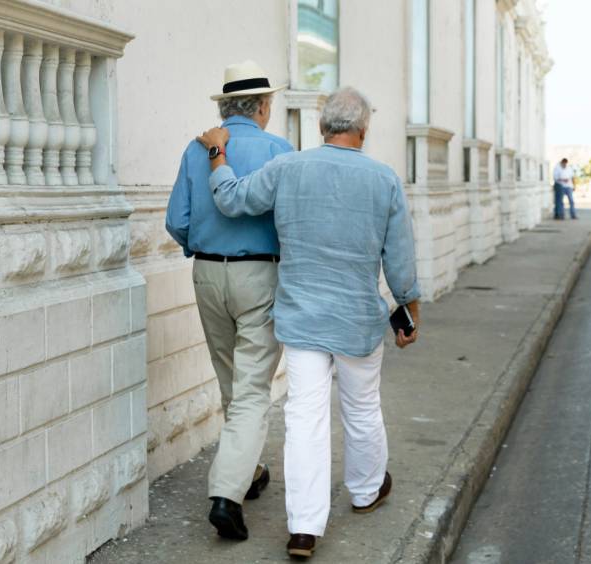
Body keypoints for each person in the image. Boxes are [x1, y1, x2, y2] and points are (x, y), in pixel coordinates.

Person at [195, 87, 421, 559]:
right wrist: (408, 309)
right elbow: (399, 258)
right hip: (357, 319)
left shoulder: (288, 167)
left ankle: (303, 528)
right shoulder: (384, 179)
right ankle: (364, 491)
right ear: (363, 130)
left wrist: (218, 154)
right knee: (361, 408)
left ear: (321, 127)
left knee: (304, 419)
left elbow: (233, 201)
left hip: (300, 318)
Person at [164, 60, 293, 541]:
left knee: (231, 378)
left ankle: (250, 468)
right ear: (262, 106)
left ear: (225, 106)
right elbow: (291, 221)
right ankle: (225, 495)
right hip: (259, 272)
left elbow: (177, 219)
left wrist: (204, 242)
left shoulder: (196, 149)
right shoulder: (279, 150)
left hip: (206, 272)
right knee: (253, 388)